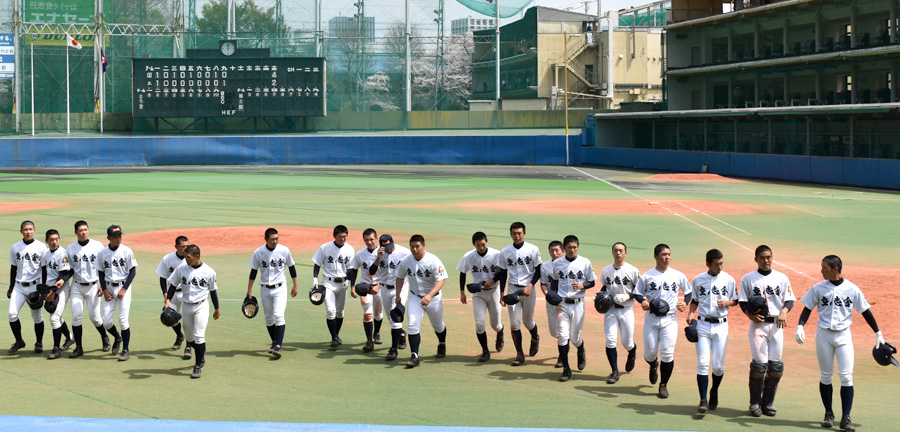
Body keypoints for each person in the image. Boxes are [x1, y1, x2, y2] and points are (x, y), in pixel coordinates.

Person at [796, 255, 884, 432]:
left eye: (824, 267)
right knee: (826, 376)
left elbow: (865, 311)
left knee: (846, 376)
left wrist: (878, 332)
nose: (821, 270)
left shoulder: (852, 289)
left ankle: (846, 418)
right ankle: (828, 413)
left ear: (835, 269)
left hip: (844, 336)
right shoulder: (818, 288)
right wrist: (800, 326)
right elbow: (807, 308)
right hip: (823, 335)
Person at [738, 245, 795, 417]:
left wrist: (784, 311)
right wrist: (749, 315)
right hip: (758, 326)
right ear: (756, 259)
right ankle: (754, 403)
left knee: (776, 367)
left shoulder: (782, 278)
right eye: (762, 258)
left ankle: (768, 403)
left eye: (769, 257)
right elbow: (742, 301)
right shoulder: (748, 279)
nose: (766, 260)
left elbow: (790, 299)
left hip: (777, 326)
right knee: (759, 366)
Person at [633, 244, 692, 398]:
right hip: (651, 319)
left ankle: (663, 385)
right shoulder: (647, 276)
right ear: (656, 256)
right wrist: (643, 302)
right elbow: (637, 293)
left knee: (667, 353)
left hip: (670, 319)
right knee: (650, 353)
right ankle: (653, 365)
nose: (667, 258)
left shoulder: (677, 275)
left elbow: (688, 292)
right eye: (664, 254)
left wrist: (685, 302)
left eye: (669, 254)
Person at [686, 249, 738, 413]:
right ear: (708, 264)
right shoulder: (698, 279)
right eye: (717, 264)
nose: (720, 267)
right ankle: (703, 400)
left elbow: (736, 300)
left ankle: (714, 390)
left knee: (718, 367)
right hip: (702, 325)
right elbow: (695, 300)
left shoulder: (728, 279)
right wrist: (691, 313)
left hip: (721, 326)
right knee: (702, 363)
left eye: (722, 263)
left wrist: (728, 303)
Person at [166, 245, 220, 379]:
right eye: (185, 257)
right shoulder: (181, 269)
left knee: (199, 335)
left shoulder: (209, 271)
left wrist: (217, 308)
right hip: (186, 306)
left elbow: (213, 291)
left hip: (201, 306)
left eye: (188, 257)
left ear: (197, 257)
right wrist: (168, 301)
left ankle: (197, 366)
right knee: (189, 337)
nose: (186, 260)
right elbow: (173, 285)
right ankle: (201, 354)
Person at [395, 234, 448, 368]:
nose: (414, 249)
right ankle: (414, 356)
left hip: (433, 298)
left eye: (417, 246)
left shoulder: (433, 260)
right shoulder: (406, 261)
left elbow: (441, 280)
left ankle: (442, 343)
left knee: (438, 325)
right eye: (412, 246)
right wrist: (398, 295)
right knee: (412, 325)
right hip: (415, 297)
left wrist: (430, 295)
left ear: (423, 246)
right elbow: (399, 277)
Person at [550, 235, 596, 382]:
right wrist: (552, 295)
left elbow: (592, 282)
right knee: (563, 336)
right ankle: (566, 369)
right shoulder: (557, 263)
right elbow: (555, 281)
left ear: (578, 247)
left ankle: (580, 349)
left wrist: (582, 286)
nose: (572, 250)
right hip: (562, 304)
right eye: (569, 247)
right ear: (564, 248)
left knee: (575, 338)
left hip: (578, 303)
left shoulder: (585, 262)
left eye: (575, 247)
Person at [247, 227, 298, 358]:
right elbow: (253, 271)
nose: (275, 241)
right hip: (264, 288)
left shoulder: (284, 250)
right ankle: (274, 342)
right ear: (266, 239)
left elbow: (291, 267)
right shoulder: (258, 252)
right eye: (272, 239)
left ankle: (279, 346)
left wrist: (295, 285)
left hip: (280, 288)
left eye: (277, 239)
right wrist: (249, 289)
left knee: (278, 314)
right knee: (268, 317)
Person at [498, 222, 543, 366]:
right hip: (512, 289)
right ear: (510, 234)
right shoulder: (504, 251)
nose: (517, 236)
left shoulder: (533, 249)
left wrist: (531, 285)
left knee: (528, 321)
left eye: (519, 233)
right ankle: (519, 354)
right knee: (514, 324)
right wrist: (501, 292)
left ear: (524, 233)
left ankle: (535, 337)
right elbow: (503, 272)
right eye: (514, 233)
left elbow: (539, 269)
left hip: (529, 289)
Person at [457, 231, 505, 362]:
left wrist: (493, 281)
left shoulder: (496, 254)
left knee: (495, 324)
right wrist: (462, 291)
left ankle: (500, 332)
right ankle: (485, 350)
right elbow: (462, 272)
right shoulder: (468, 256)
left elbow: (502, 273)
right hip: (478, 293)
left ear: (487, 242)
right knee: (479, 324)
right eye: (478, 245)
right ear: (474, 244)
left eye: (483, 244)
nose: (481, 247)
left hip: (494, 291)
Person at [65, 220, 110, 358]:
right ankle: (79, 348)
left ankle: (104, 336)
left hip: (94, 286)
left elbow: (104, 267)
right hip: (77, 286)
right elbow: (70, 269)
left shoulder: (97, 246)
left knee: (95, 318)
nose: (83, 232)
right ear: (76, 232)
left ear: (88, 230)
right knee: (76, 316)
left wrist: (104, 285)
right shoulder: (71, 248)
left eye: (85, 229)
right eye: (80, 230)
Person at [599, 242, 641, 384]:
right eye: (615, 251)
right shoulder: (606, 270)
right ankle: (614, 371)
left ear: (625, 253)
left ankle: (632, 351)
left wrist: (628, 297)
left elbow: (639, 290)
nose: (618, 253)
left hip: (626, 310)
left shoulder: (632, 270)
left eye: (621, 251)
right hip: (611, 310)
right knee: (610, 340)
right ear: (612, 252)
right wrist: (599, 295)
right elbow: (604, 286)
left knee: (627, 342)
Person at [7, 220, 49, 354]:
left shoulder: (41, 247)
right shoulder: (15, 247)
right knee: (12, 314)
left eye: (30, 229)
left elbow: (44, 269)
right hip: (19, 286)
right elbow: (13, 268)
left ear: (34, 230)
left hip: (34, 287)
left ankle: (39, 343)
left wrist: (43, 288)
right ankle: (19, 341)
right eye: (25, 229)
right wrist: (11, 286)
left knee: (37, 317)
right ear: (21, 231)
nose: (28, 232)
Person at [98, 225, 138, 361]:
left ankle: (126, 350)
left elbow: (132, 271)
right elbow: (101, 272)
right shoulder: (102, 253)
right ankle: (118, 337)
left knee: (122, 320)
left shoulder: (127, 251)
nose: (118, 238)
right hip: (109, 287)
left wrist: (124, 289)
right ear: (108, 238)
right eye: (115, 237)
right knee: (106, 322)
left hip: (123, 286)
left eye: (120, 236)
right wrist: (104, 289)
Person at [311, 225, 355, 348]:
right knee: (331, 310)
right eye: (340, 237)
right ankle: (334, 337)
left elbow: (351, 268)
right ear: (334, 236)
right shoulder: (325, 248)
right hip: (328, 283)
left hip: (342, 284)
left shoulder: (350, 249)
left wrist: (348, 280)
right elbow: (317, 264)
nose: (342, 239)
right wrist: (315, 279)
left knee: (340, 312)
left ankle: (336, 335)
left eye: (345, 236)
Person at [372, 233, 411, 361]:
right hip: (384, 288)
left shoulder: (404, 252)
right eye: (386, 247)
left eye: (390, 246)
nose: (389, 249)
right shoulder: (377, 253)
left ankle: (393, 350)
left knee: (395, 318)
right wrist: (378, 258)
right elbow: (371, 272)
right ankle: (401, 334)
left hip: (400, 288)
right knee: (391, 319)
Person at [348, 228, 382, 352]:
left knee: (378, 313)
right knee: (368, 313)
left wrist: (380, 285)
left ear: (376, 238)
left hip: (380, 286)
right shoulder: (360, 254)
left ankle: (377, 332)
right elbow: (354, 269)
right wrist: (352, 286)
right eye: (366, 240)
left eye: (371, 239)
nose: (369, 242)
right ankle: (369, 341)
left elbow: (389, 272)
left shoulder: (383, 253)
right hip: (365, 286)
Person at [156, 235, 190, 359]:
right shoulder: (167, 259)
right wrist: (165, 294)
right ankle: (180, 336)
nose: (185, 249)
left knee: (188, 321)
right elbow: (162, 277)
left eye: (187, 246)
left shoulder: (190, 258)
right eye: (182, 246)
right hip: (172, 293)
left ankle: (188, 346)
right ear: (176, 246)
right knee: (169, 317)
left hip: (187, 293)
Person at [43, 229, 74, 359]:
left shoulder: (62, 253)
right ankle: (70, 337)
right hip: (50, 289)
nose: (54, 242)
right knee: (56, 315)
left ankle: (56, 349)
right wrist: (45, 291)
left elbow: (66, 273)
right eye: (51, 239)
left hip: (62, 288)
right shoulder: (46, 254)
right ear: (47, 241)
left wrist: (53, 292)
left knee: (54, 318)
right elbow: (44, 272)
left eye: (56, 239)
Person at [538, 240, 564, 367]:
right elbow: (543, 283)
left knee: (562, 330)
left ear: (562, 251)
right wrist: (548, 294)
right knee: (554, 332)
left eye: (557, 250)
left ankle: (562, 357)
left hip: (565, 302)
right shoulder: (545, 266)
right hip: (551, 301)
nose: (554, 253)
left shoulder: (568, 265)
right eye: (552, 251)